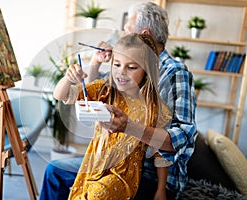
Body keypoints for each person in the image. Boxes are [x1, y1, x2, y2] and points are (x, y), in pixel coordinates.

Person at [40, 2, 197, 200]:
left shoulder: (174, 73)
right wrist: (96, 62)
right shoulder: (122, 74)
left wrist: (129, 127)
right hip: (105, 160)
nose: (122, 35)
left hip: (145, 172)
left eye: (126, 30)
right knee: (55, 170)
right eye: (117, 65)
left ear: (144, 35)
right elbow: (91, 94)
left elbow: (181, 138)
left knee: (93, 191)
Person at [54, 33, 171, 199]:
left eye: (131, 67)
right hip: (93, 166)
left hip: (122, 176)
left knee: (97, 195)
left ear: (147, 70)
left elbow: (162, 154)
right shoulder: (105, 90)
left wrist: (161, 189)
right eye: (116, 64)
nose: (121, 73)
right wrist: (67, 79)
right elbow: (62, 95)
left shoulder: (155, 108)